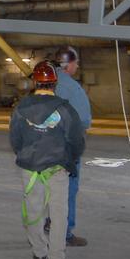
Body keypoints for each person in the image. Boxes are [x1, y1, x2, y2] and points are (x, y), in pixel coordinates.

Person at [9, 61, 85, 259]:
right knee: (59, 215)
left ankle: (39, 253)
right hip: (57, 169)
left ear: (35, 82)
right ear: (55, 83)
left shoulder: (21, 108)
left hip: (30, 169)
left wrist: (27, 156)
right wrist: (69, 160)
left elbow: (15, 139)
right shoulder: (65, 109)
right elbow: (76, 141)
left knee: (34, 212)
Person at [45, 45, 91, 247]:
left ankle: (51, 223)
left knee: (51, 188)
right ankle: (64, 232)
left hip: (48, 144)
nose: (77, 66)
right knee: (68, 190)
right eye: (76, 63)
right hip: (66, 147)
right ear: (69, 64)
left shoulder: (49, 82)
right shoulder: (70, 86)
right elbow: (82, 119)